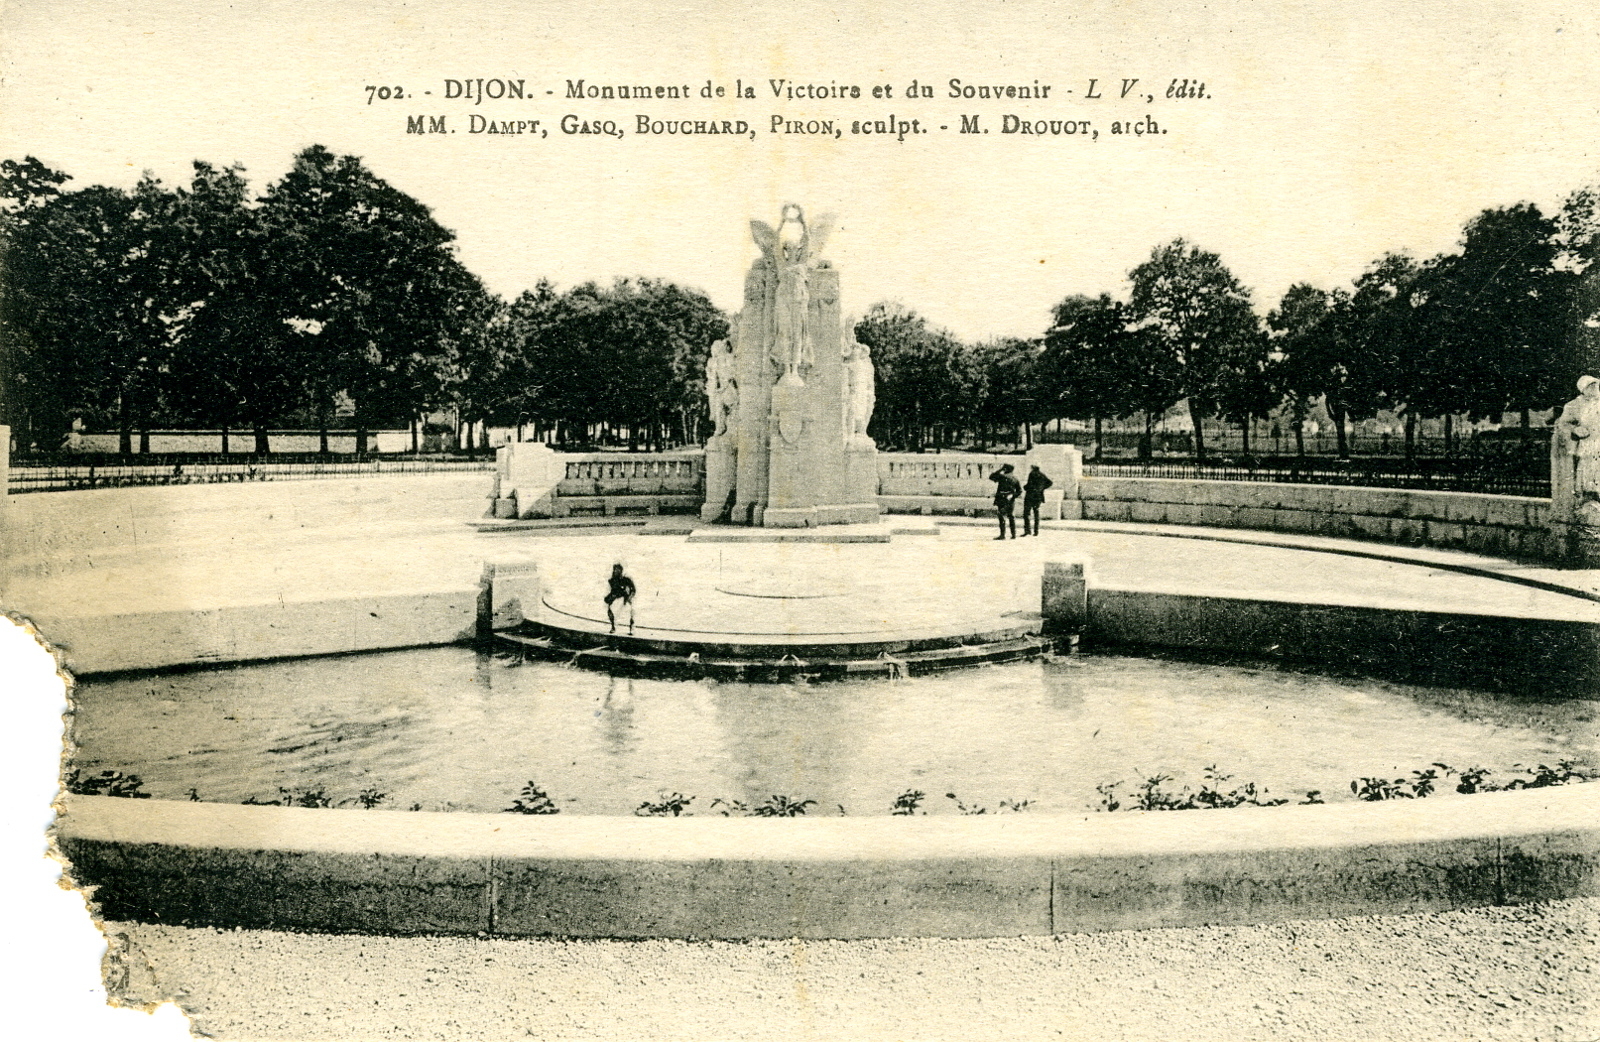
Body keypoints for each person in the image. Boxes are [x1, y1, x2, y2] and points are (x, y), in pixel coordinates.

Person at [989, 463, 1021, 539]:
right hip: (1011, 499)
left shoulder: (1002, 477)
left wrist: (1000, 470)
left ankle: (1002, 535)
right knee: (1011, 516)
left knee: (1002, 517)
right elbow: (1019, 491)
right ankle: (1013, 535)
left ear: (1005, 469)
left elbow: (991, 477)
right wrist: (1013, 496)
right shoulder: (1015, 478)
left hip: (1002, 498)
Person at [604, 563, 636, 634]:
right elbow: (611, 592)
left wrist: (629, 598)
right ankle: (613, 627)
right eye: (614, 570)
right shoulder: (612, 581)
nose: (615, 571)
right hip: (616, 599)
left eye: (617, 570)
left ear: (621, 571)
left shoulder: (627, 580)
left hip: (626, 599)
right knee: (611, 608)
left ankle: (631, 629)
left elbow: (633, 590)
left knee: (629, 610)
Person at [1021, 464, 1053, 536]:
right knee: (1036, 513)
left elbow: (1029, 485)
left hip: (1030, 496)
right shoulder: (1042, 474)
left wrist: (1025, 487)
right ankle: (1036, 531)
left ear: (1032, 468)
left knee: (1027, 513)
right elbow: (1050, 483)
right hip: (1038, 496)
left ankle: (1027, 531)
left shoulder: (1032, 474)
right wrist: (1042, 488)